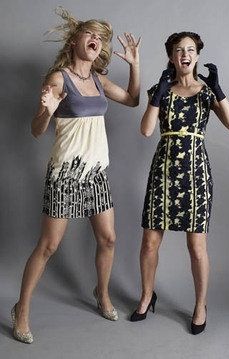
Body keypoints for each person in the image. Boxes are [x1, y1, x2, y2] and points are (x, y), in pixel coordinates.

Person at [11, 7, 140, 343]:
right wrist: (47, 112)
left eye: (101, 37)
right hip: (66, 173)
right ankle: (21, 310)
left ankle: (103, 294)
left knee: (108, 239)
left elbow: (132, 99)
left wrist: (135, 66)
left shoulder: (98, 80)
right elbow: (37, 130)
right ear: (74, 39)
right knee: (49, 245)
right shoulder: (58, 78)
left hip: (97, 172)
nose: (96, 40)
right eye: (90, 34)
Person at [130, 32, 229, 335]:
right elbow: (146, 129)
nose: (185, 54)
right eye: (179, 50)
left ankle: (200, 305)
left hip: (195, 173)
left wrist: (218, 88)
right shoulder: (161, 89)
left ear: (197, 56)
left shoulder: (207, 92)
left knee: (196, 245)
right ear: (171, 56)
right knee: (150, 241)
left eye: (191, 50)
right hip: (163, 172)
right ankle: (146, 295)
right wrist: (158, 93)